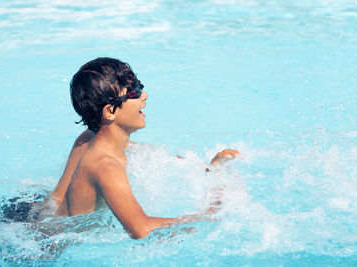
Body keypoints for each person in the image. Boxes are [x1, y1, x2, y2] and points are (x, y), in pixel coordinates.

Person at [49, 57, 240, 239]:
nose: (144, 95)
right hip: (50, 251)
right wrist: (208, 215)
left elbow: (55, 200)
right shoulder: (106, 168)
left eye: (139, 86)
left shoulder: (90, 139)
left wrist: (206, 167)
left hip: (45, 224)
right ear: (109, 112)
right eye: (134, 91)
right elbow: (142, 229)